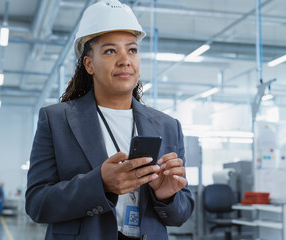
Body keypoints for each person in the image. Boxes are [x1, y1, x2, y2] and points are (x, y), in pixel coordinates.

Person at [25, 1, 194, 240]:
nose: (125, 60)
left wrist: (166, 196)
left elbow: (181, 212)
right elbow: (37, 204)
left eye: (132, 50)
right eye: (110, 51)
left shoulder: (168, 126)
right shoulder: (56, 120)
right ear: (89, 64)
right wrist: (100, 184)